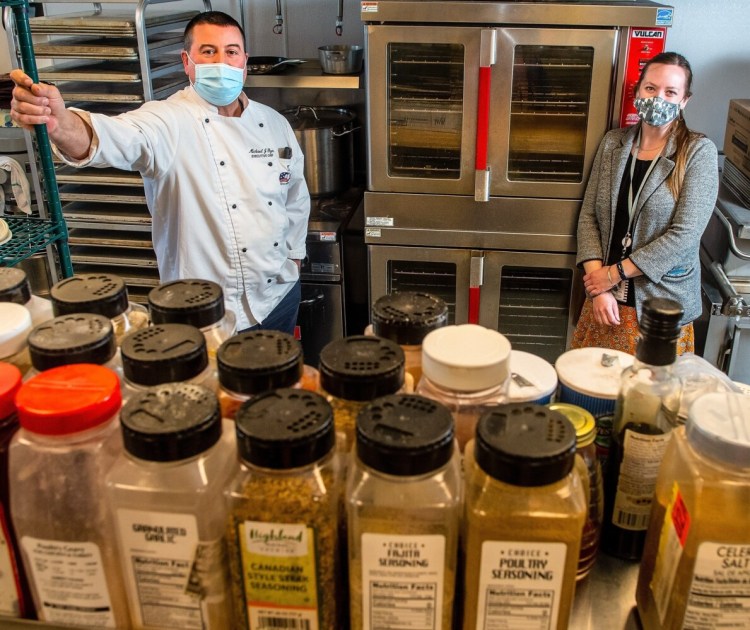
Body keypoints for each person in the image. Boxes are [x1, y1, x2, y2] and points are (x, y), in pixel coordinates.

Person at [9, 11, 310, 336]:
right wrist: (61, 123)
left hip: (278, 296)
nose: (222, 62)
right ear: (187, 61)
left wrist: (294, 257)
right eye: (208, 52)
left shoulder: (274, 123)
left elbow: (295, 196)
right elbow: (113, 135)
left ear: (245, 61)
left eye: (231, 51)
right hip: (205, 310)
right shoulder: (169, 120)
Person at [572, 52, 718, 355]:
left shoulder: (697, 152)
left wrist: (614, 274)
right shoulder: (613, 143)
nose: (658, 98)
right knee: (593, 393)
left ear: (684, 100)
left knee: (650, 396)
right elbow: (588, 217)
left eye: (670, 92)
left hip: (659, 309)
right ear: (638, 91)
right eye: (651, 88)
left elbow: (684, 235)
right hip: (603, 300)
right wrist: (599, 287)